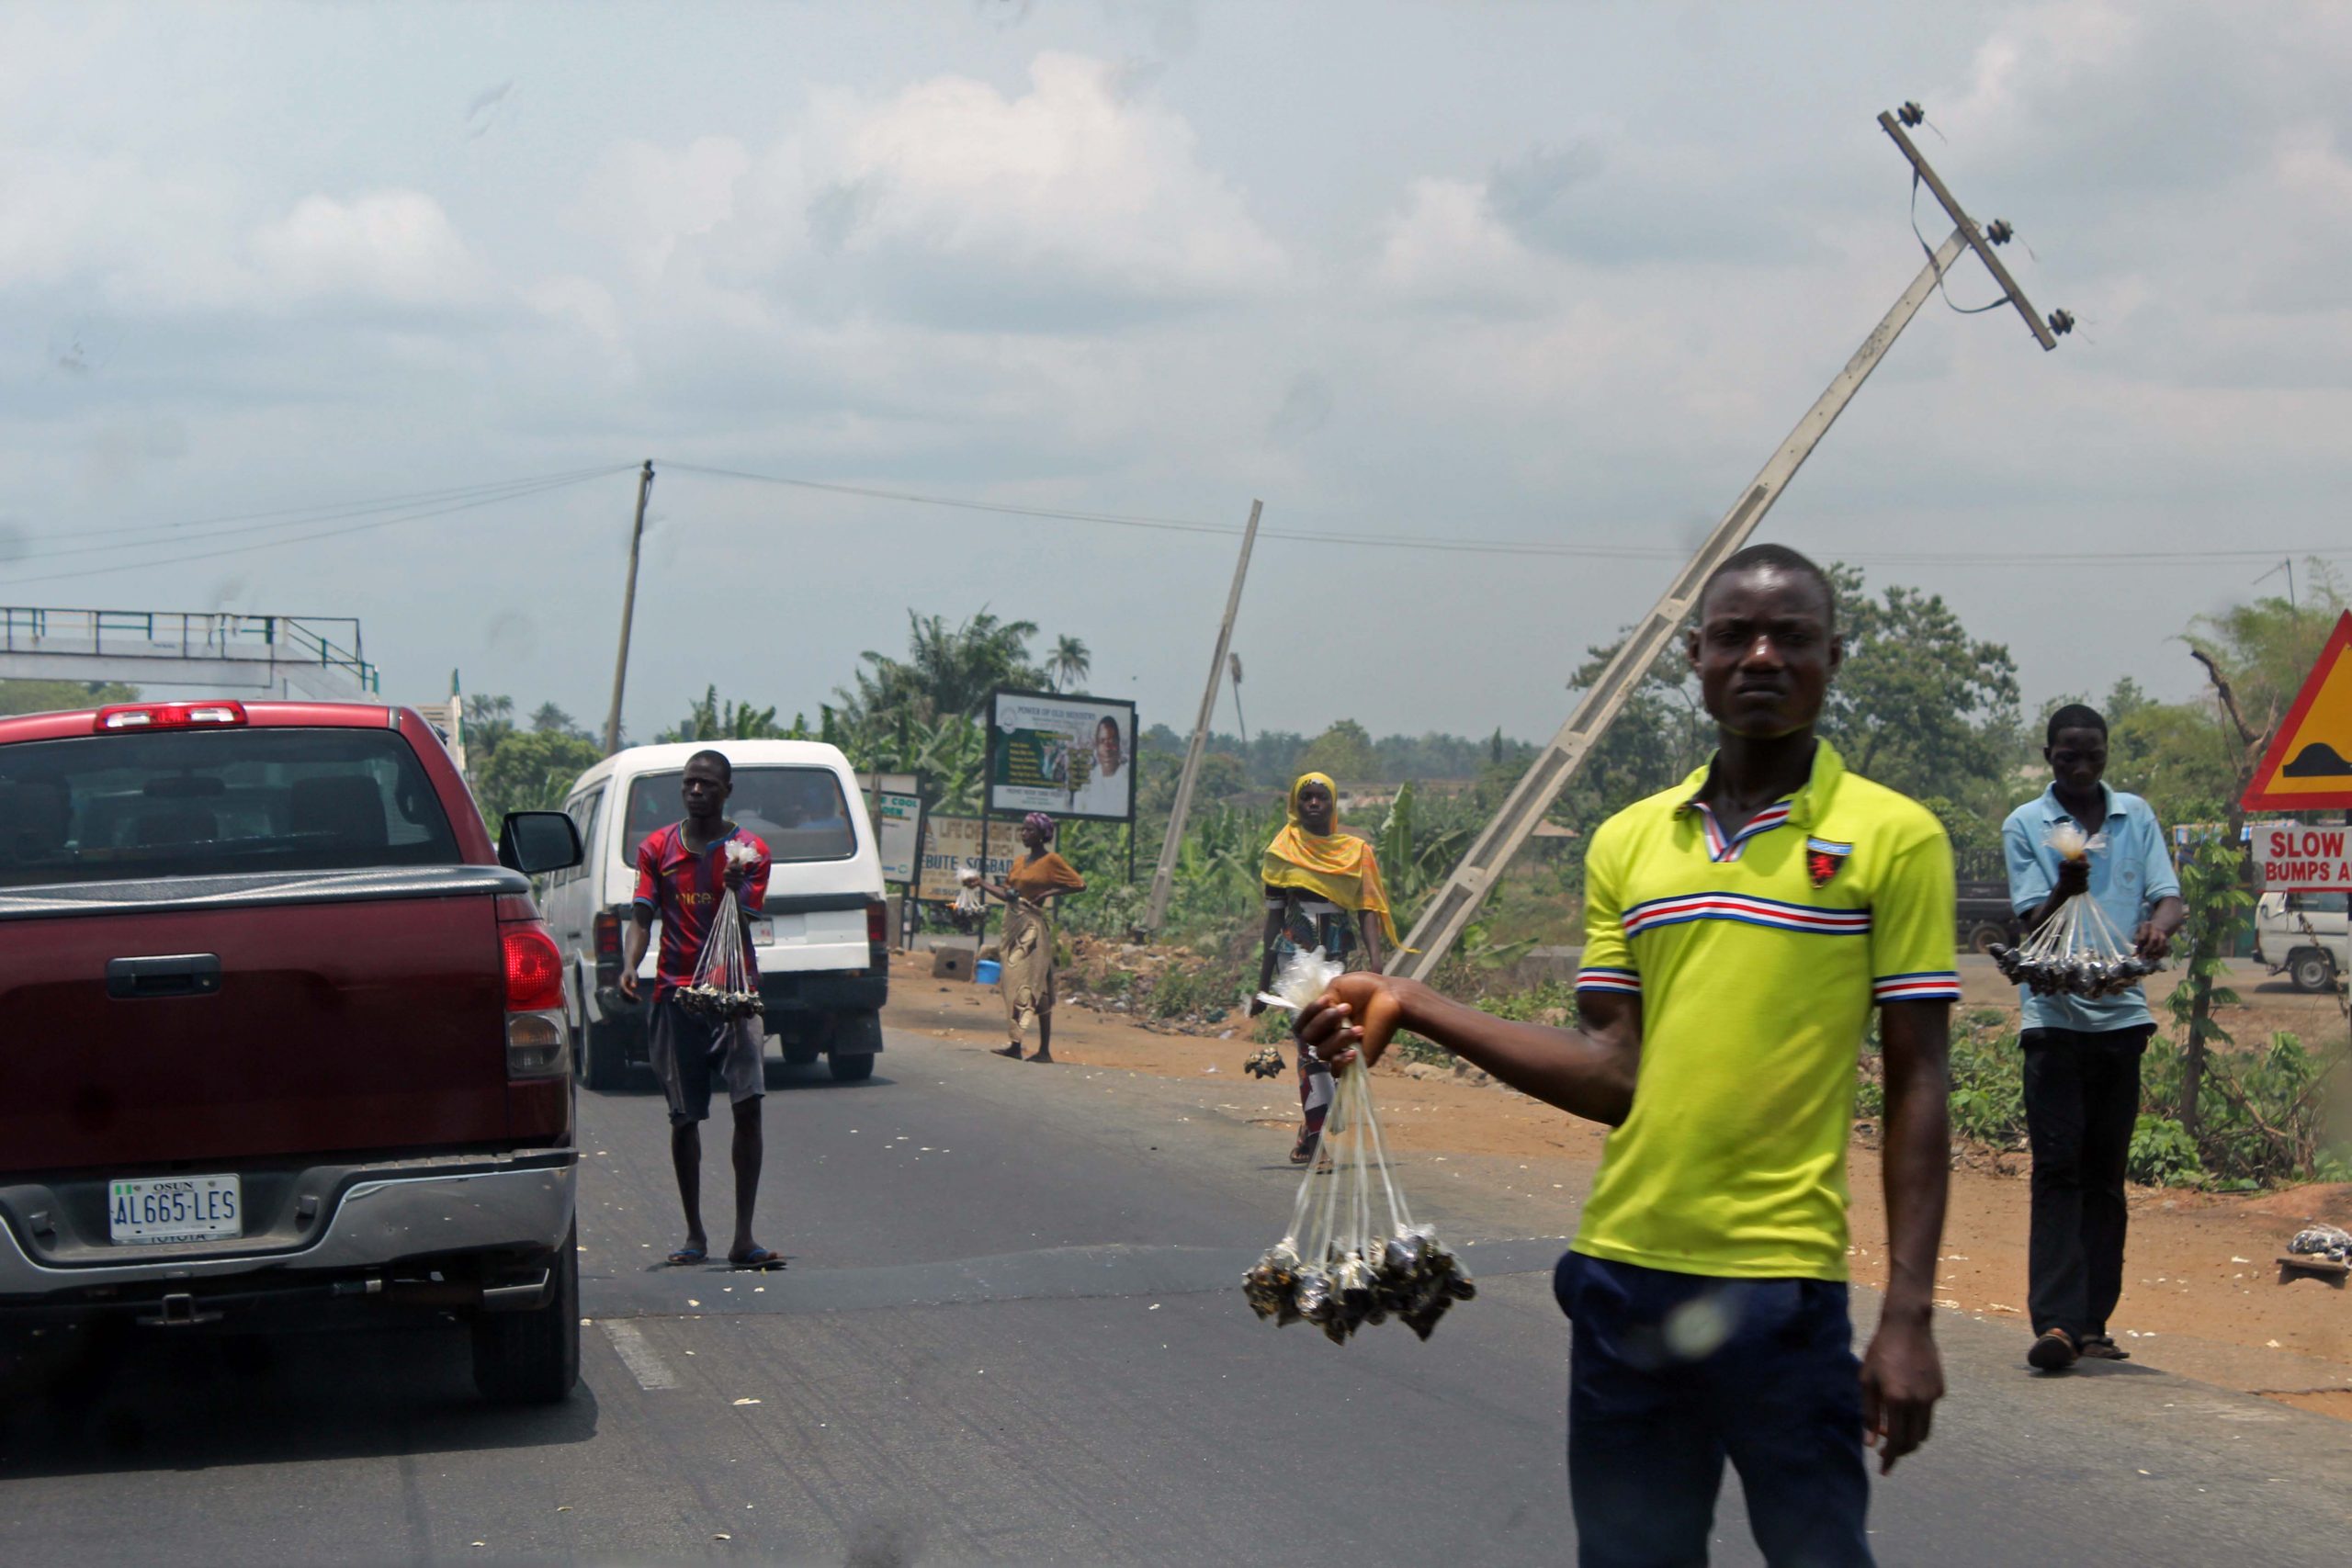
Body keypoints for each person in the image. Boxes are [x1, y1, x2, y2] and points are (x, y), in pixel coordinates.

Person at [1299, 544, 1953, 1568]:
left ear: (1835, 657)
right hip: (1624, 1285)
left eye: (1792, 637)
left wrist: (1907, 1316)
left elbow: (1920, 1079)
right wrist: (1412, 1003)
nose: (1762, 656)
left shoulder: (1893, 838)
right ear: (1693, 657)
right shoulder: (1630, 844)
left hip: (1780, 1290)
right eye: (1734, 635)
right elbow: (1613, 1072)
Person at [2003, 704, 2184, 1371]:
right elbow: (2031, 925)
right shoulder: (2027, 824)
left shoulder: (2135, 815)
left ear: (2106, 754)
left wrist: (2159, 927)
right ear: (2049, 755)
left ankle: (2093, 1321)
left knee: (2106, 1175)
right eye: (2067, 757)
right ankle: (2055, 1321)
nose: (2081, 768)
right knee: (2057, 1169)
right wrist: (2065, 886)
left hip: (2122, 1017)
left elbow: (2168, 895)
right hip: (2052, 1021)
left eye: (2092, 756)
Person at [619, 750, 784, 1270]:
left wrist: (735, 892)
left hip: (734, 997)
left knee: (748, 1107)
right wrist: (630, 964)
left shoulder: (749, 850)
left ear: (726, 791)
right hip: (675, 993)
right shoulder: (656, 848)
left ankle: (743, 1236)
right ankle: (694, 1233)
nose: (696, 791)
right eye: (690, 783)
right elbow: (643, 915)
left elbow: (746, 917)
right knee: (684, 1118)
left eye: (707, 784)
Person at [1249, 772, 1396, 1164]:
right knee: (1310, 1043)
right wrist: (1263, 985)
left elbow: (1367, 909)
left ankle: (1309, 1132)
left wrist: (1378, 964)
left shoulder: (1355, 852)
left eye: (1321, 798)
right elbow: (1273, 919)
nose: (1314, 804)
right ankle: (1316, 1143)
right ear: (1295, 805)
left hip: (1335, 951)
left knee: (1336, 1040)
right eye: (1307, 798)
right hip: (1293, 951)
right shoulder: (1282, 850)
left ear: (1332, 805)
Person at [983, 812, 1085, 1063]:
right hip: (1013, 926)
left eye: (1029, 830)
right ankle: (1016, 1044)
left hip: (1033, 929)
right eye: (1023, 830)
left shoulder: (1051, 861)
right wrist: (981, 884)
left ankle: (1044, 1050)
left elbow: (1079, 884)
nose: (1024, 834)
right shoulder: (1019, 861)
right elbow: (1007, 893)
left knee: (1035, 985)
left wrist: (1049, 892)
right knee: (1013, 983)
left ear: (1042, 834)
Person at [1069, 715, 1129, 818]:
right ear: (1096, 746)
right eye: (1102, 742)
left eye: (1111, 741)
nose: (1107, 748)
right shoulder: (1087, 782)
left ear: (1118, 745)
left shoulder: (1128, 780)